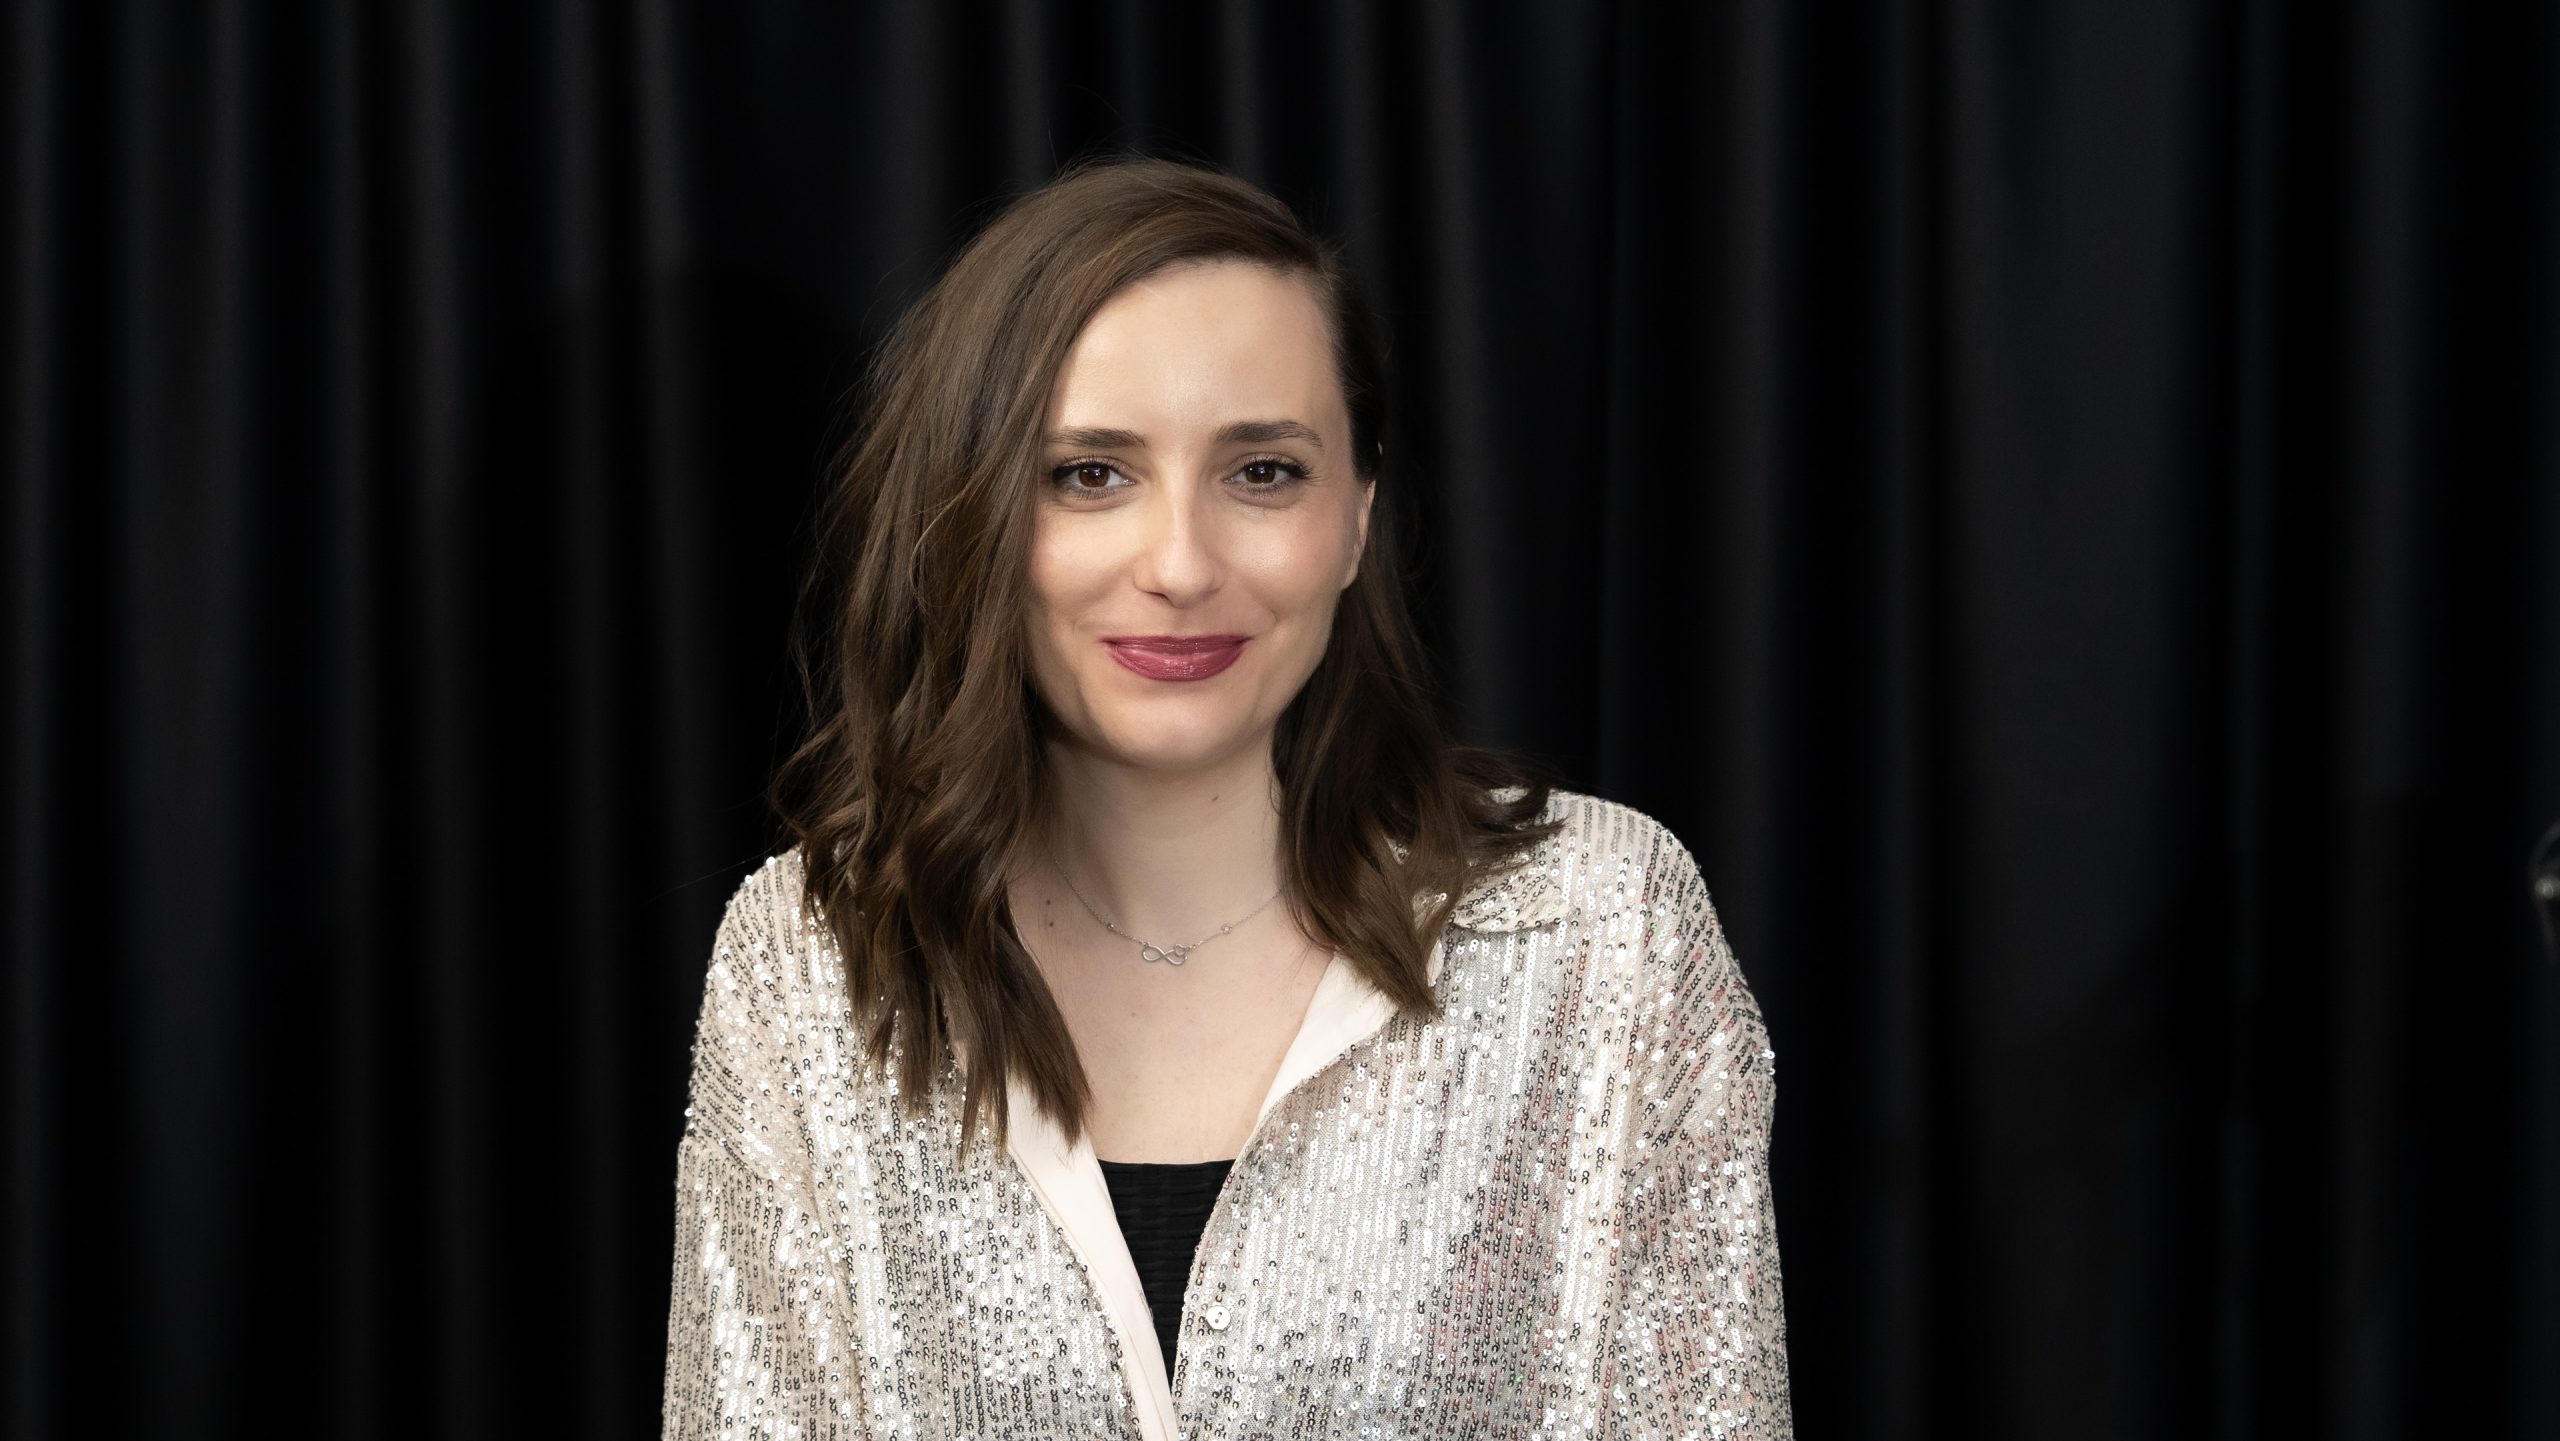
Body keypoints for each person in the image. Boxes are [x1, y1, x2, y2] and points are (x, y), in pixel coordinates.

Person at [659, 153, 1793, 1440]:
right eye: (1089, 473)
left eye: (1262, 472)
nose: (1181, 565)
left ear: (1356, 515)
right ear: (970, 513)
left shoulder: (1603, 932)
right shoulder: (809, 962)